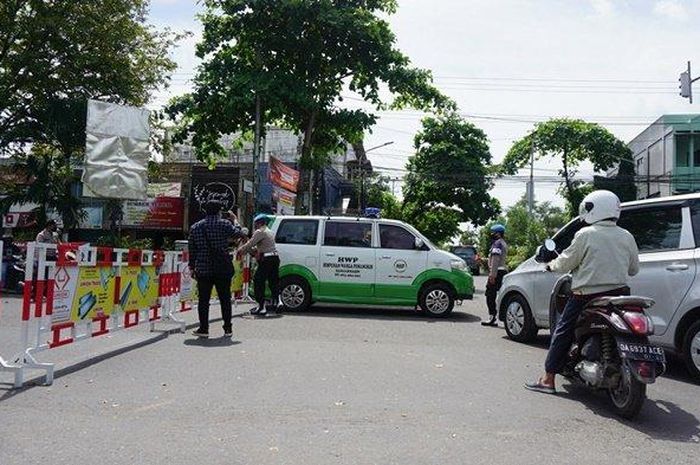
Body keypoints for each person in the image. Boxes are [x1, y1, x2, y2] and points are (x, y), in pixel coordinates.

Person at [525, 190, 639, 394]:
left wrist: (550, 265)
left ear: (594, 208)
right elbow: (633, 269)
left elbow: (566, 261)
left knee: (562, 331)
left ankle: (548, 379)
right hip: (620, 295)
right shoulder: (626, 235)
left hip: (586, 296)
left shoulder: (585, 234)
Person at [188, 200, 243, 338]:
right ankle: (228, 328)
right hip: (222, 268)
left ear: (205, 211)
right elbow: (238, 233)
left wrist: (192, 266)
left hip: (203, 268)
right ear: (219, 211)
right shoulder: (224, 224)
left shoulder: (195, 227)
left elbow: (192, 250)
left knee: (203, 300)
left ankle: (204, 329)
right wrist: (235, 220)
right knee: (225, 299)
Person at [237, 213, 279, 316]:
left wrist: (240, 250)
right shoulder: (270, 232)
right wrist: (252, 251)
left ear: (259, 223)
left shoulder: (260, 231)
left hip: (266, 259)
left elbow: (250, 244)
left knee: (258, 281)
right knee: (273, 281)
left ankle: (261, 307)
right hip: (274, 258)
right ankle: (277, 303)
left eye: (256, 223)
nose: (255, 225)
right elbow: (261, 247)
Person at [482, 223, 508, 327]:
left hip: (497, 272)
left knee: (490, 295)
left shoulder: (497, 243)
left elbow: (496, 260)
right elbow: (494, 259)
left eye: (492, 233)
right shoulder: (503, 243)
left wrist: (492, 275)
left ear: (498, 234)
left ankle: (492, 317)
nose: (491, 235)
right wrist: (483, 260)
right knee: (500, 294)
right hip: (501, 271)